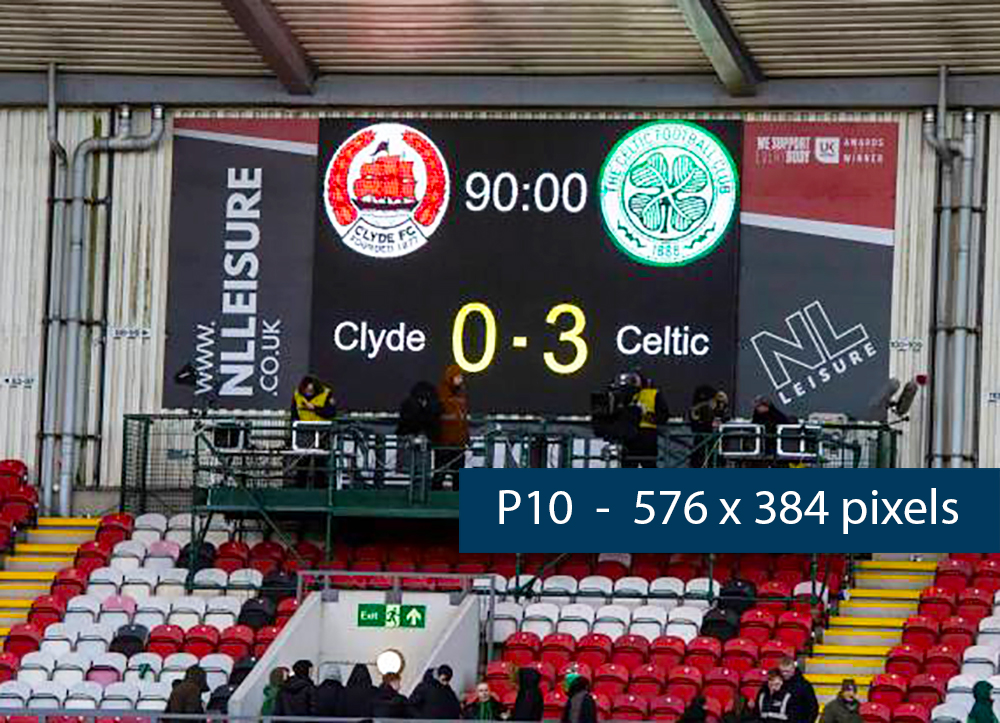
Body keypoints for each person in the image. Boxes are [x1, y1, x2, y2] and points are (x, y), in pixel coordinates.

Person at [622, 373, 669, 468]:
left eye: (634, 380)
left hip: (647, 435)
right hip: (629, 435)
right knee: (628, 464)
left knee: (649, 464)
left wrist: (647, 415)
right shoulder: (626, 394)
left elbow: (663, 416)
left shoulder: (654, 393)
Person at [433, 364, 469, 490]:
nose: (461, 379)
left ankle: (457, 501)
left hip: (458, 443)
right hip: (444, 443)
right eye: (458, 376)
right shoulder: (440, 394)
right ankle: (434, 499)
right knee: (440, 474)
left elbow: (463, 419)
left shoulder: (461, 394)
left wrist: (466, 438)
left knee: (458, 476)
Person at [688, 385, 731, 468]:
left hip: (713, 446)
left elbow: (723, 417)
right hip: (701, 444)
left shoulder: (718, 411)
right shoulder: (697, 410)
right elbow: (696, 424)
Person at [778, 657, 818, 723]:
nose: (784, 674)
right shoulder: (775, 683)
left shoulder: (804, 685)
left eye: (787, 671)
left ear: (794, 669)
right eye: (782, 671)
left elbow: (813, 708)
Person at [751, 396, 791, 460]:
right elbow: (754, 425)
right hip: (760, 444)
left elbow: (784, 423)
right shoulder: (757, 414)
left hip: (775, 444)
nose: (757, 409)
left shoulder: (776, 415)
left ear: (766, 406)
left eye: (759, 406)